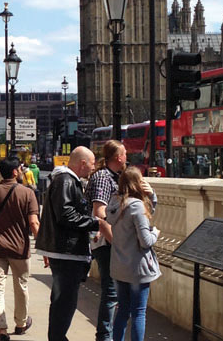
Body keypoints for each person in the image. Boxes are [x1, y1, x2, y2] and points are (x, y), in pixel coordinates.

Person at [35, 146, 112, 341]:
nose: (93, 168)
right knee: (65, 301)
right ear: (83, 163)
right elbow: (66, 215)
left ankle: (57, 337)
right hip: (66, 252)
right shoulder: (66, 181)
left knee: (62, 300)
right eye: (92, 163)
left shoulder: (66, 180)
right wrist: (96, 223)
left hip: (65, 250)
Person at [0, 157, 41, 341]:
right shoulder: (27, 193)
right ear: (14, 172)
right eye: (19, 168)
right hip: (19, 248)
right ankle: (21, 323)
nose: (21, 170)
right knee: (21, 285)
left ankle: (1, 329)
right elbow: (34, 223)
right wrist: (42, 248)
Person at [108, 166, 161, 341]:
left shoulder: (115, 202)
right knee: (139, 312)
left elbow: (145, 214)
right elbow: (145, 240)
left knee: (123, 310)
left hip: (119, 266)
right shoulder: (136, 206)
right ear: (137, 183)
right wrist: (156, 233)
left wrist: (152, 196)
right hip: (137, 268)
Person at [86, 141, 127, 341]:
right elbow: (99, 212)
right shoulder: (103, 177)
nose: (126, 156)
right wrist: (116, 241)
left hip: (112, 239)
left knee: (115, 293)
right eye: (124, 153)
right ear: (118, 157)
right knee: (111, 292)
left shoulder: (116, 177)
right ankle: (104, 337)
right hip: (105, 241)